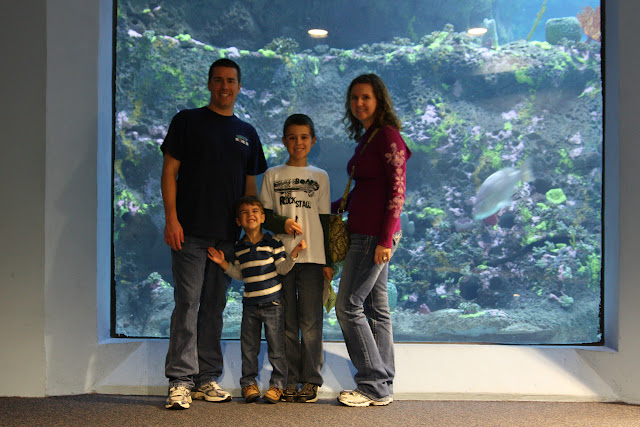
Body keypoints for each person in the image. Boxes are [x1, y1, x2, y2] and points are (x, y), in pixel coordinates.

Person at [161, 58, 267, 410]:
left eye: (231, 81)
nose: (224, 86)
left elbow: (250, 189)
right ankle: (180, 380)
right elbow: (169, 172)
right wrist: (171, 219)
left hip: (227, 238)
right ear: (209, 84)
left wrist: (250, 231)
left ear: (239, 87)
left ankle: (206, 378)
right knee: (187, 304)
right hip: (189, 232)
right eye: (218, 80)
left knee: (214, 308)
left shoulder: (247, 133)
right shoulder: (187, 121)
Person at [333, 74, 411, 407]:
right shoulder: (371, 137)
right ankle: (383, 384)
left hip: (372, 237)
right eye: (354, 98)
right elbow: (364, 191)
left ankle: (372, 383)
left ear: (379, 100)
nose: (359, 103)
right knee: (376, 310)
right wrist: (327, 208)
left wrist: (385, 239)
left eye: (365, 97)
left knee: (347, 306)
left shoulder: (388, 136)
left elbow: (397, 191)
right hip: (367, 233)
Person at [259, 114, 333, 403]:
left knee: (311, 323)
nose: (298, 142)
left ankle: (311, 380)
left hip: (313, 258)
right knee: (287, 322)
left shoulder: (320, 176)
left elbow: (325, 220)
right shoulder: (273, 175)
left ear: (313, 141)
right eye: (292, 137)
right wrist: (284, 224)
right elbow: (264, 216)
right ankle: (289, 378)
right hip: (283, 258)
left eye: (304, 137)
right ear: (283, 141)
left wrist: (328, 261)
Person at [207, 196, 307, 404]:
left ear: (263, 217)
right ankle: (248, 384)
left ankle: (278, 385)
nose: (250, 215)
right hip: (250, 305)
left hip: (273, 304)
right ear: (238, 221)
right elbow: (239, 274)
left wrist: (294, 254)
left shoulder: (273, 243)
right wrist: (222, 262)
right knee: (249, 347)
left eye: (254, 211)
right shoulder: (239, 247)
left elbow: (282, 269)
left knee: (276, 347)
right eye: (244, 213)